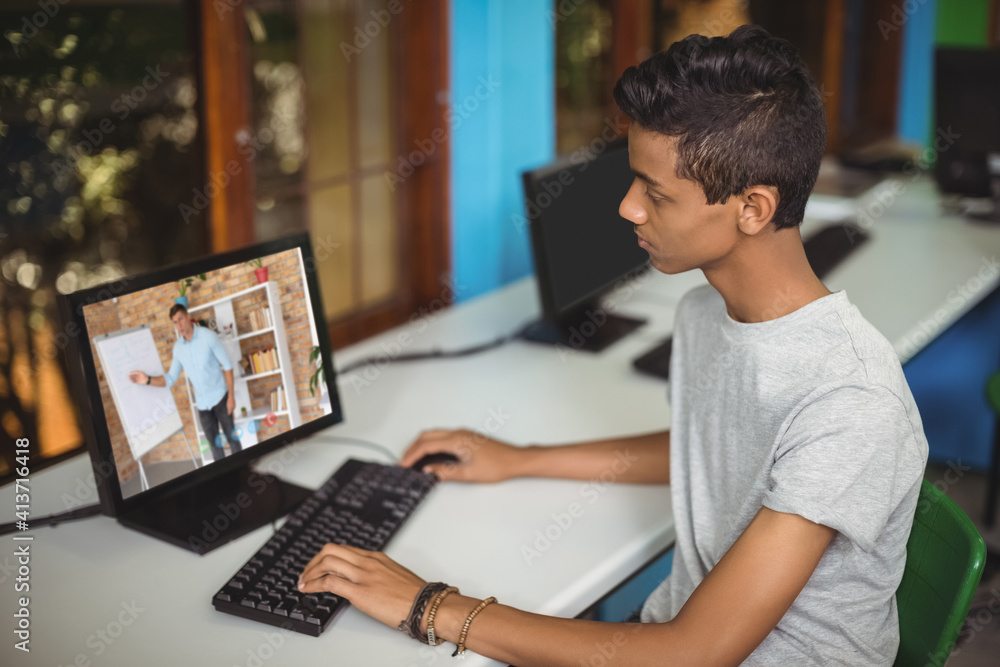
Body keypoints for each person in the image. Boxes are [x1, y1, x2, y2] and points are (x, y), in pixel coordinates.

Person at [297, 25, 928, 666]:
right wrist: (520, 458)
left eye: (655, 193)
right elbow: (715, 449)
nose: (628, 208)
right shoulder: (706, 313)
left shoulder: (851, 402)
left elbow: (692, 654)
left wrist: (430, 607)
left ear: (755, 208)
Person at [129, 303, 242, 461]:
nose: (179, 325)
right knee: (215, 448)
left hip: (221, 398)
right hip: (203, 405)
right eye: (175, 322)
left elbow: (228, 366)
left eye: (181, 319)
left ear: (188, 317)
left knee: (233, 441)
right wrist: (146, 379)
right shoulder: (178, 349)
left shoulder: (208, 336)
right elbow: (170, 379)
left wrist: (231, 397)